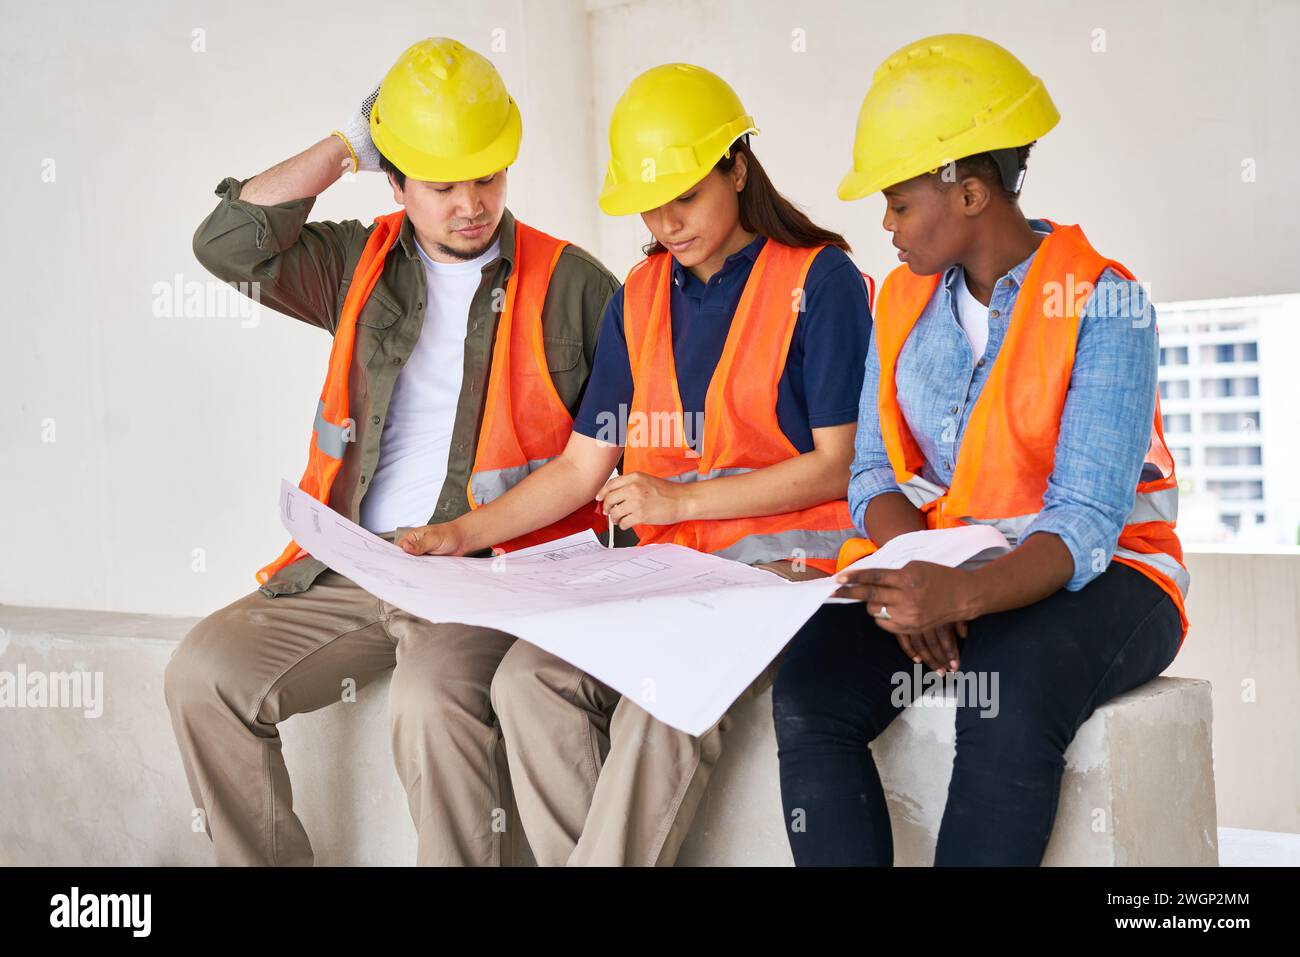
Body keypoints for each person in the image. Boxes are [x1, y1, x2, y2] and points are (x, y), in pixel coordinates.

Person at [397, 62, 873, 865]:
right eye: (651, 203)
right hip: (665, 581)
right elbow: (583, 469)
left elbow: (838, 466)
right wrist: (461, 532)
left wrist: (682, 505)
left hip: (784, 577)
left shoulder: (819, 280)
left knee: (663, 697)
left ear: (738, 168)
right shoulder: (643, 294)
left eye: (685, 195)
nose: (667, 220)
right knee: (525, 682)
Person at [164, 37, 619, 866]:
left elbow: (621, 454)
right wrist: (345, 144)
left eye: (486, 177)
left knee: (429, 703)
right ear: (396, 179)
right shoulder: (354, 263)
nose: (470, 204)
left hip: (486, 575)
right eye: (442, 186)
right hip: (351, 566)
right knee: (203, 674)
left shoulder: (577, 285)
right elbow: (227, 244)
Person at [772, 33, 1190, 866]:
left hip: (1111, 577)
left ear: (967, 194)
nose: (885, 226)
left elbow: (1083, 524)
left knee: (1008, 694)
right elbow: (872, 474)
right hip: (949, 562)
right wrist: (912, 578)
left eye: (898, 202)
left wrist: (962, 597)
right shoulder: (898, 302)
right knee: (810, 688)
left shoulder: (1106, 305)